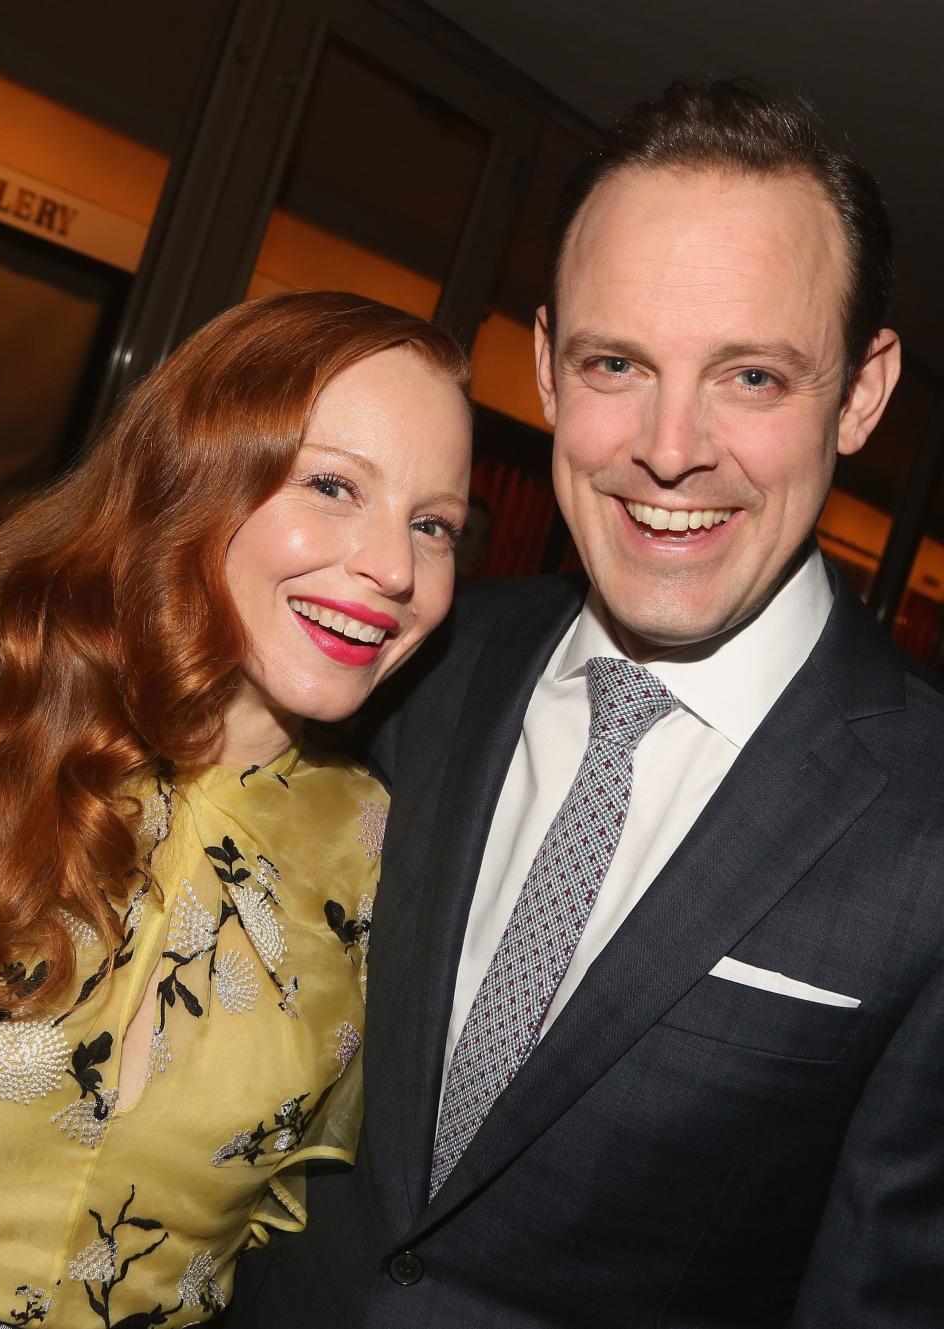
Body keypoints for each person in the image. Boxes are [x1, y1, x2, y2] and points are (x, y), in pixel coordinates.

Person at [227, 82, 944, 1327]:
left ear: (863, 394)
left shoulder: (927, 825)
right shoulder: (402, 663)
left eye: (754, 377)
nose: (671, 447)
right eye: (619, 362)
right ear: (550, 367)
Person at [0, 290, 471, 1327]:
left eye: (435, 525)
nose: (395, 568)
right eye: (334, 484)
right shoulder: (1, 705)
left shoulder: (382, 852)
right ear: (199, 473)